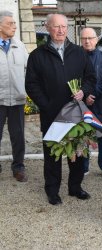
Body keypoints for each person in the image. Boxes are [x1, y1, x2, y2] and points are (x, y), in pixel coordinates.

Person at [25, 14, 96, 205]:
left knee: (78, 153)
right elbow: (31, 85)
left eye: (64, 26)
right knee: (52, 156)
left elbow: (90, 77)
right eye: (56, 26)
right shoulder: (37, 55)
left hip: (76, 113)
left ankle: (75, 187)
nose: (61, 30)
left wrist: (84, 91)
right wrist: (46, 105)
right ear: (47, 28)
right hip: (52, 114)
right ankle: (52, 191)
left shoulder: (79, 53)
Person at [80, 27, 102, 179]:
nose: (87, 41)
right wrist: (85, 95)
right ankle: (83, 165)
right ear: (80, 40)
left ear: (96, 39)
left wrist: (93, 94)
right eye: (84, 38)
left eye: (90, 38)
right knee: (83, 135)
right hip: (82, 104)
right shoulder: (75, 58)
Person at [0, 11, 28, 182]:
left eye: (15, 23)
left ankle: (18, 166)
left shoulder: (19, 45)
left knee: (18, 136)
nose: (14, 27)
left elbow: (29, 70)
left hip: (17, 99)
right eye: (10, 23)